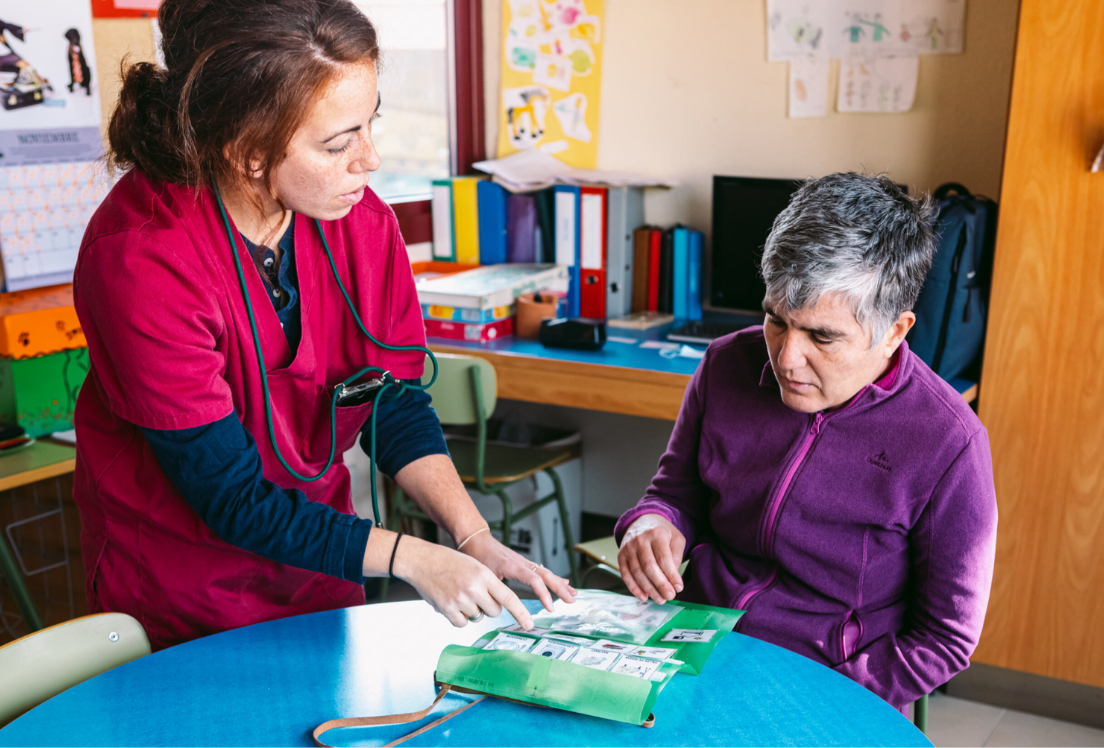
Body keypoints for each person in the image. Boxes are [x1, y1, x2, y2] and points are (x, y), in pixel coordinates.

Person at [73, 0, 574, 651]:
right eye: (338, 144)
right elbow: (232, 498)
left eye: (370, 125)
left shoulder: (361, 223)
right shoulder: (142, 259)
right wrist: (414, 558)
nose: (370, 159)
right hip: (185, 593)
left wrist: (472, 535)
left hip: (323, 567)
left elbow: (390, 400)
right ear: (247, 150)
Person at [615, 173, 997, 711]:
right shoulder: (725, 363)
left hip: (827, 681)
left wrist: (829, 698)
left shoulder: (948, 441)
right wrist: (651, 524)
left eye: (822, 336)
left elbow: (946, 638)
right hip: (697, 645)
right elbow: (674, 494)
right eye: (776, 320)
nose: (786, 358)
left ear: (894, 331)